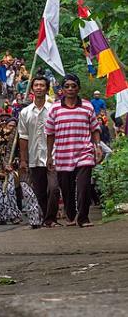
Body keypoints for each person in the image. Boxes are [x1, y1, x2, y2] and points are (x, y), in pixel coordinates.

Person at [46, 74, 102, 227]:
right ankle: (71, 215)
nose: (70, 89)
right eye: (67, 86)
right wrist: (49, 156)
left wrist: (97, 147)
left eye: (73, 85)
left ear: (78, 88)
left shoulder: (87, 106)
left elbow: (95, 129)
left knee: (83, 185)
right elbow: (50, 134)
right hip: (63, 154)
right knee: (67, 188)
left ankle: (83, 217)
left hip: (84, 151)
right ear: (62, 89)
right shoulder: (55, 108)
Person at [18, 75, 59, 227]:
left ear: (47, 88)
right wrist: (23, 159)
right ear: (32, 89)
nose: (39, 88)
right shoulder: (25, 113)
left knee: (54, 188)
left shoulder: (54, 109)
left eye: (42, 85)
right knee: (40, 191)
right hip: (34, 156)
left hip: (53, 156)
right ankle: (45, 218)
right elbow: (23, 137)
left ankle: (51, 218)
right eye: (36, 85)